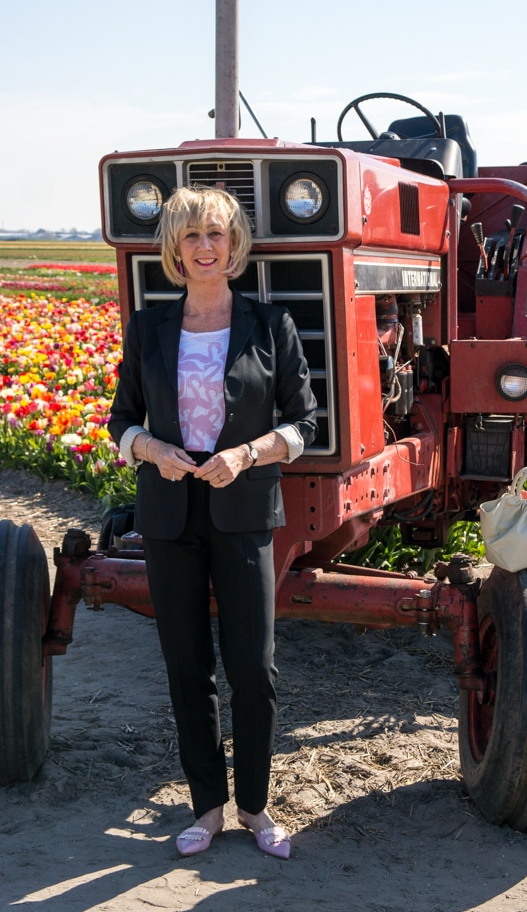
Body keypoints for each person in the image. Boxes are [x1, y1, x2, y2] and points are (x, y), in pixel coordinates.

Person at [108, 186, 317, 859]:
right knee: (186, 665)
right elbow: (121, 420)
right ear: (174, 248)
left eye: (216, 235)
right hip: (170, 510)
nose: (205, 247)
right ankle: (208, 806)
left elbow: (303, 422)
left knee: (252, 667)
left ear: (234, 247)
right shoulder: (148, 330)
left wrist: (248, 452)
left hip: (243, 503)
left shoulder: (269, 325)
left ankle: (255, 806)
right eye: (192, 236)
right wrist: (152, 449)